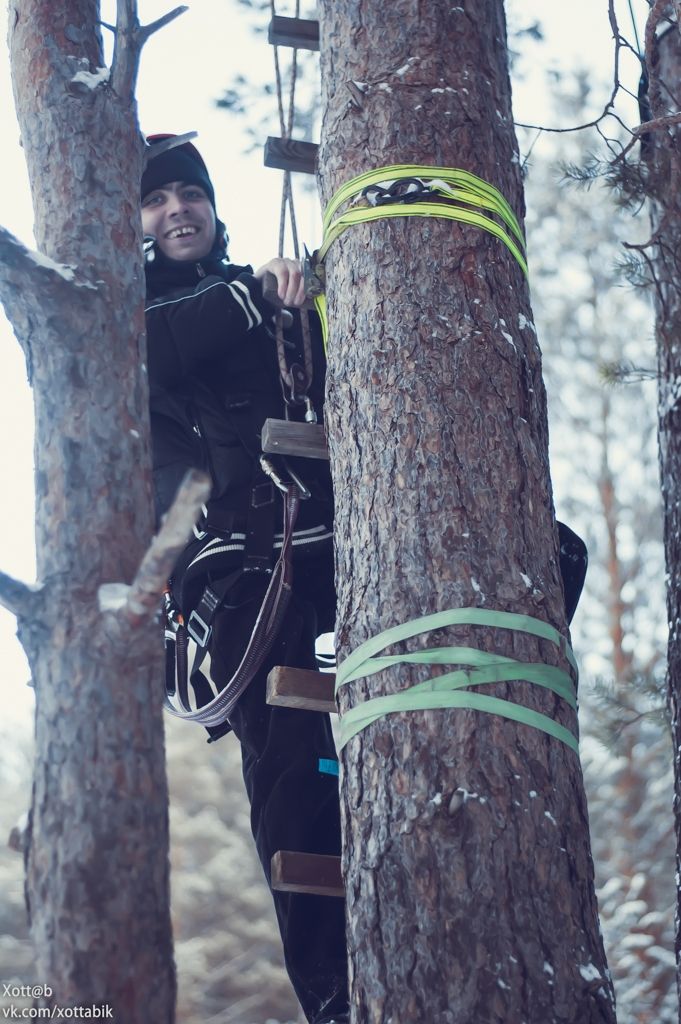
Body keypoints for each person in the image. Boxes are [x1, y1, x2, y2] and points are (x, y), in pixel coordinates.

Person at [141, 134, 349, 1024]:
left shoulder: (271, 305)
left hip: (324, 538)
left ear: (214, 207)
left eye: (190, 193)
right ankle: (333, 992)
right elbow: (167, 345)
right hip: (230, 573)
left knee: (549, 552)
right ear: (138, 226)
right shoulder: (131, 312)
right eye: (156, 201)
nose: (177, 209)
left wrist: (310, 296)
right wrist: (257, 289)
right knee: (292, 771)